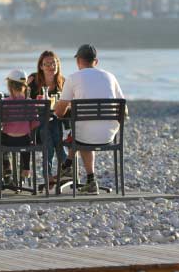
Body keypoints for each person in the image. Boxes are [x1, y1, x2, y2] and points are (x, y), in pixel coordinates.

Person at [54, 44, 126, 195]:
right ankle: (84, 177)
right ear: (96, 61)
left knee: (79, 135)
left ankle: (68, 165)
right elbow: (124, 110)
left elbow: (59, 113)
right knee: (82, 132)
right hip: (109, 135)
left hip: (84, 136)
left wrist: (70, 109)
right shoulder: (110, 77)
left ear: (78, 61)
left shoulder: (73, 78)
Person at [0, 69, 39, 182]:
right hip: (24, 140)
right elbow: (35, 123)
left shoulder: (5, 102)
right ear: (24, 86)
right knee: (26, 140)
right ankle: (26, 168)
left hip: (8, 140)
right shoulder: (30, 102)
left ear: (10, 86)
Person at [27, 50, 67, 177]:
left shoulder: (63, 82)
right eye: (47, 64)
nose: (51, 66)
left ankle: (48, 175)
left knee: (50, 131)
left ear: (58, 64)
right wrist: (25, 86)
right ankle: (66, 166)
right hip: (35, 126)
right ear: (41, 66)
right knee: (49, 131)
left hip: (54, 123)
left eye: (53, 63)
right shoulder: (33, 80)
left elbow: (69, 103)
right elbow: (23, 101)